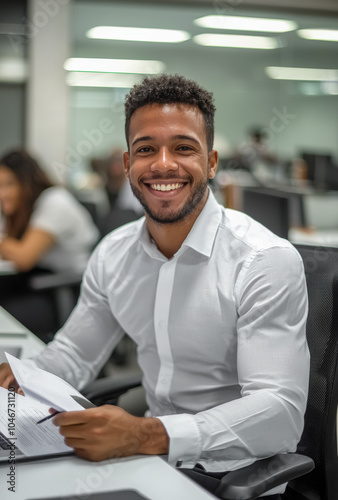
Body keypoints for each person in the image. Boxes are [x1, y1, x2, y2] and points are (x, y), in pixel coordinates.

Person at [0, 75, 309, 499]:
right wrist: (22, 376)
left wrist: (147, 435)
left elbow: (280, 414)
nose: (163, 164)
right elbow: (75, 354)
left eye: (184, 148)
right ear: (127, 165)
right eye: (146, 149)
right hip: (149, 458)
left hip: (237, 472)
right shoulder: (113, 253)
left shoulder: (263, 261)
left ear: (212, 162)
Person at [0, 150, 99, 273]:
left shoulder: (56, 201)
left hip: (65, 284)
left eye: (9, 184)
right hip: (40, 277)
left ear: (27, 182)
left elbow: (24, 258)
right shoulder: (22, 208)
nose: (2, 193)